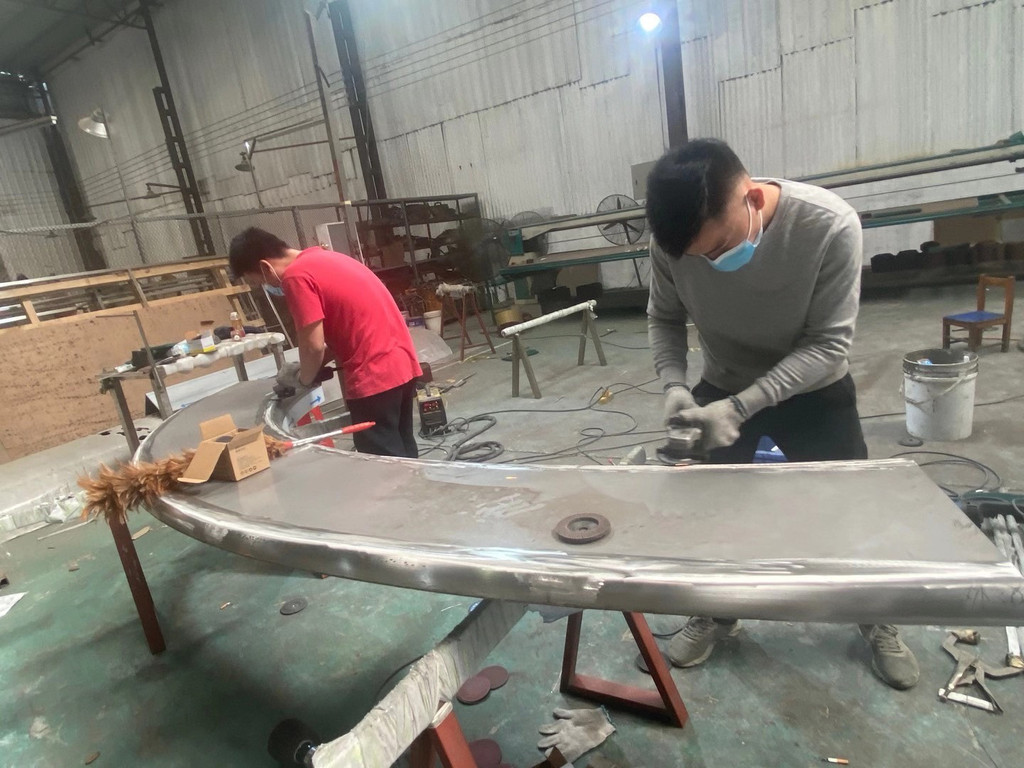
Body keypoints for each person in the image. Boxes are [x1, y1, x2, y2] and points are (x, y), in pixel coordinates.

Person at [645, 138, 919, 690]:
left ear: (750, 199)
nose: (711, 263)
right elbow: (664, 317)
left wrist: (743, 405)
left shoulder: (829, 226)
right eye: (698, 257)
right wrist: (674, 385)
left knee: (848, 512)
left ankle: (875, 614)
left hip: (814, 390)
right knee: (715, 515)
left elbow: (828, 345)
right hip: (722, 383)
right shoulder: (673, 241)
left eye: (719, 247)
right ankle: (715, 610)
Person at [228, 227, 421, 458]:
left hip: (375, 376)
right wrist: (312, 366)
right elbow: (350, 330)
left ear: (265, 266)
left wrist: (302, 380)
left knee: (383, 461)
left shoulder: (296, 276)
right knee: (404, 452)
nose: (265, 286)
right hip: (402, 364)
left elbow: (313, 345)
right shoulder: (327, 258)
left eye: (259, 281)